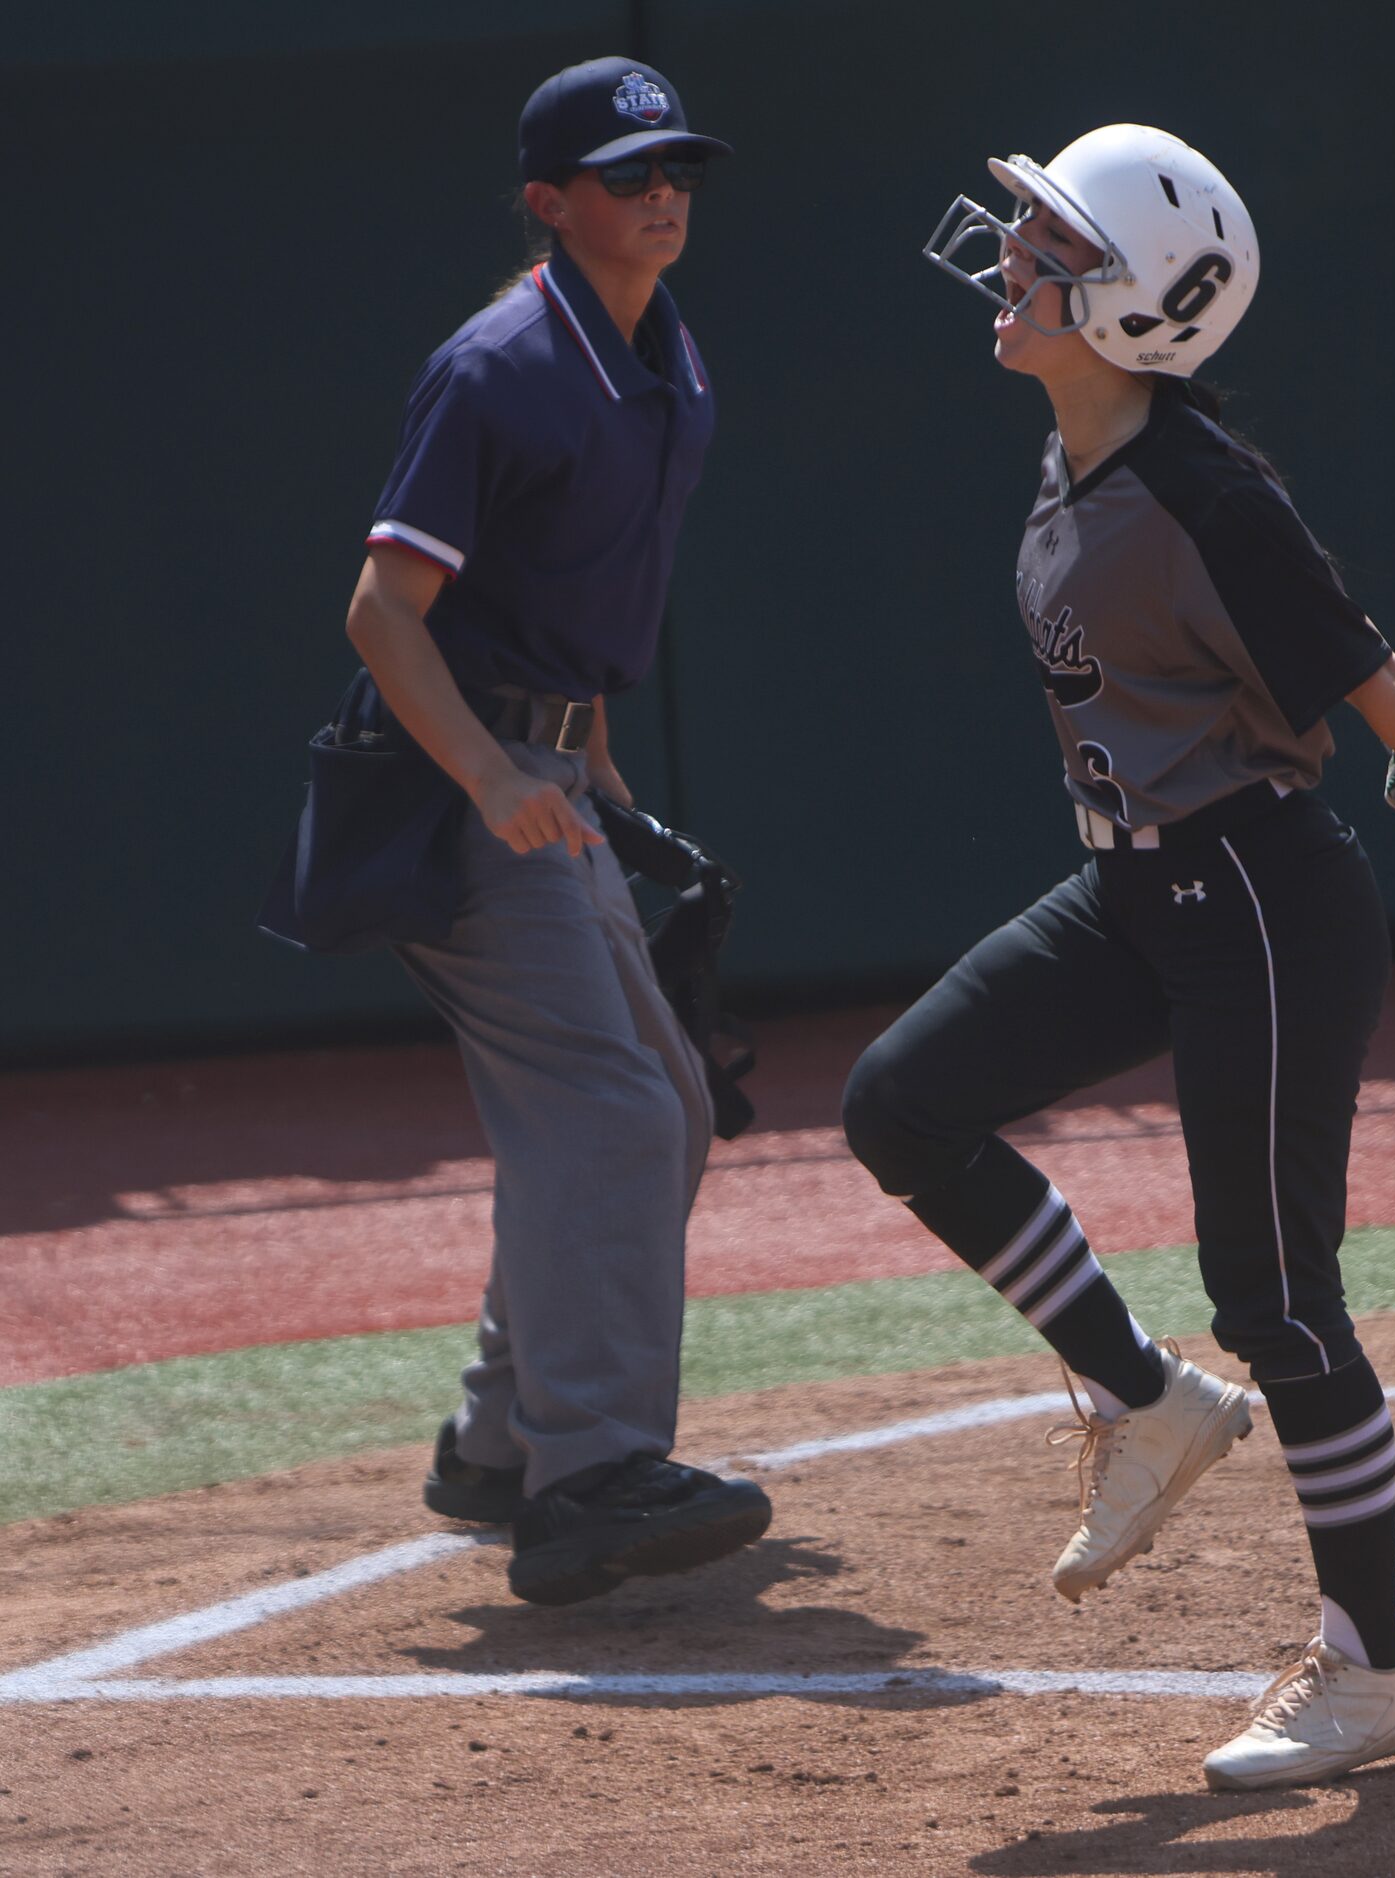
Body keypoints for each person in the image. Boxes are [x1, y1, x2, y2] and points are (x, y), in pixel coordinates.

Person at [846, 125, 1395, 1788]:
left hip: (1257, 898)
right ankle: (1142, 1398)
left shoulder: (1201, 489)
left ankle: (1374, 1665)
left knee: (1280, 1297)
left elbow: (1372, 673)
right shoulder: (1078, 460)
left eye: (1046, 240)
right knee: (903, 1103)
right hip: (1141, 891)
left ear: (1125, 306)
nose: (1007, 253)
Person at [339, 57, 771, 1606]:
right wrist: (492, 777)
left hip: (547, 777)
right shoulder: (499, 365)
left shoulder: (666, 358)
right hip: (449, 790)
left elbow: (572, 621)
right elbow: (386, 611)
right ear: (548, 200)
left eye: (678, 173)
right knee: (609, 1112)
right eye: (626, 174)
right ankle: (588, 1478)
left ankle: (500, 1440)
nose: (663, 196)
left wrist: (593, 776)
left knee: (664, 1092)